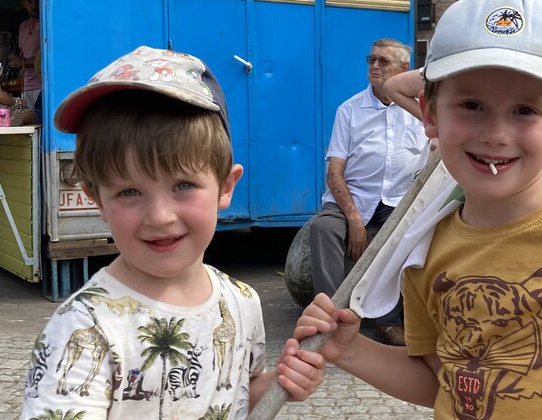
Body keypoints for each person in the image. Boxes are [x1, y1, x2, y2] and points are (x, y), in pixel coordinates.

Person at [294, 0, 542, 418]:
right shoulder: (420, 246)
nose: (496, 134)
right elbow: (441, 381)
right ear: (429, 116)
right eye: (471, 105)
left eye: (525, 111)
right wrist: (351, 349)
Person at [20, 46, 324, 417]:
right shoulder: (85, 325)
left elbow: (237, 393)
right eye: (129, 192)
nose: (160, 216)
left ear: (226, 187)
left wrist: (281, 381)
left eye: (183, 185)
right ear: (97, 199)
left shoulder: (242, 302)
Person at [304, 38, 426, 346]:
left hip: (397, 199)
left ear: (403, 69)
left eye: (383, 61)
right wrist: (354, 219)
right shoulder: (350, 110)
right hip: (352, 197)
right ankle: (331, 318)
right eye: (371, 60)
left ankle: (387, 321)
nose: (374, 66)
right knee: (323, 227)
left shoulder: (418, 111)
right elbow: (334, 173)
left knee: (408, 234)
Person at [13, 0, 41, 113]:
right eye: (30, 2)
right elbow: (22, 53)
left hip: (40, 85)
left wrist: (22, 62)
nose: (34, 6)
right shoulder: (23, 27)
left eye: (37, 2)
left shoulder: (45, 25)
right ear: (24, 3)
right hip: (25, 86)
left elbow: (44, 58)